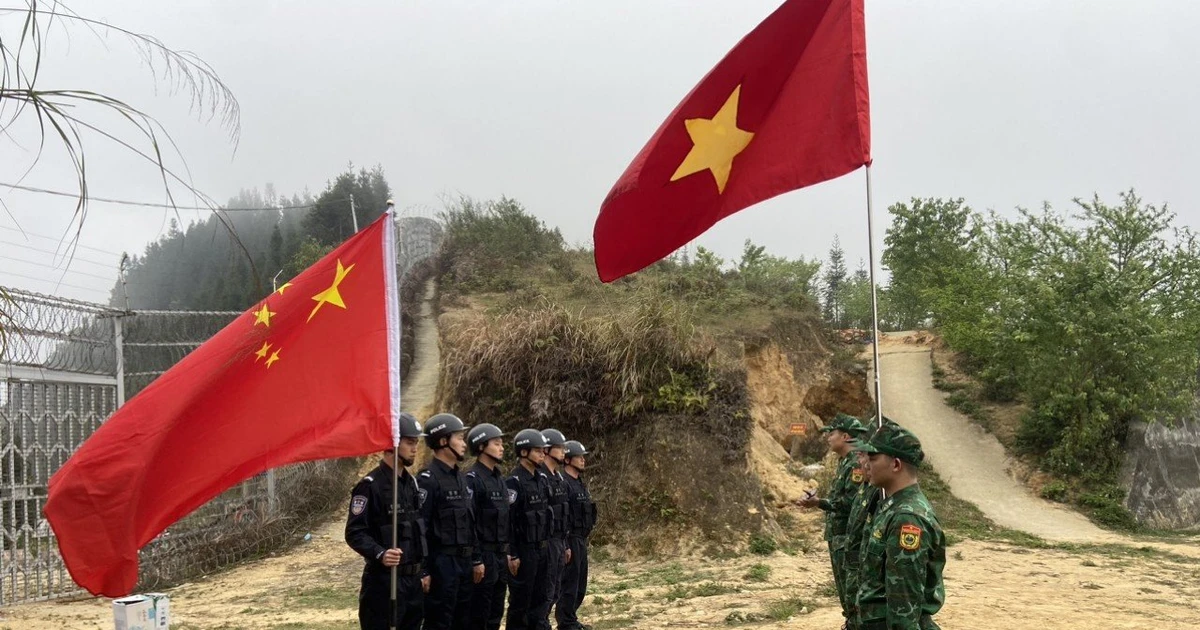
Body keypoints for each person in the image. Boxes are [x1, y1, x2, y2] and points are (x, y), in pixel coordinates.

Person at [852, 421, 946, 630]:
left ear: (896, 465)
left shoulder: (907, 519)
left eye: (873, 458)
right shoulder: (892, 506)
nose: (866, 464)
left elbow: (904, 605)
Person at [345, 412, 430, 630]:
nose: (415, 448)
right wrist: (380, 553)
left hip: (412, 584)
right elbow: (355, 532)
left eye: (416, 443)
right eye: (410, 442)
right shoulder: (370, 485)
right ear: (392, 444)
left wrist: (422, 571)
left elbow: (417, 532)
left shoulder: (411, 483)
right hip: (384, 583)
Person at [798, 412, 869, 628]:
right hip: (840, 536)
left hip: (849, 538)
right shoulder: (845, 462)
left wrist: (819, 503)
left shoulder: (856, 464)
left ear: (845, 436)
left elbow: (850, 504)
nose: (828, 437)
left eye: (832, 433)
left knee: (852, 591)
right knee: (846, 592)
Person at [419, 413, 482, 630]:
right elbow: (422, 529)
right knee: (439, 620)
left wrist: (475, 558)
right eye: (459, 438)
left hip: (464, 563)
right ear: (443, 441)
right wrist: (423, 570)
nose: (464, 444)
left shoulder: (460, 478)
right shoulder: (428, 480)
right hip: (441, 564)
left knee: (463, 619)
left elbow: (469, 522)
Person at [504, 428, 554, 630]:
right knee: (520, 601)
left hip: (542, 548)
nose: (543, 454)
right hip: (524, 551)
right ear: (524, 452)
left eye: (544, 450)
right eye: (538, 450)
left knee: (541, 597)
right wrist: (512, 553)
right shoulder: (514, 482)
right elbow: (509, 521)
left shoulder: (541, 479)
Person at [465, 422, 511, 630]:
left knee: (495, 611)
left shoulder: (499, 479)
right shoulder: (472, 479)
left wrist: (508, 551)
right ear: (481, 446)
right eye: (497, 443)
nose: (502, 448)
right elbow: (469, 522)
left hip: (500, 557)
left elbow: (504, 520)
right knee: (478, 613)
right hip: (483, 556)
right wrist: (476, 559)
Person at [843, 421, 885, 630]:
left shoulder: (899, 509)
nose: (862, 463)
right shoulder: (868, 487)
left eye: (868, 456)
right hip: (856, 568)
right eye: (860, 456)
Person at [556, 440, 596, 630]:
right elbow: (562, 516)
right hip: (570, 538)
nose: (583, 460)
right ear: (568, 459)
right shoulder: (564, 483)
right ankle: (566, 622)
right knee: (569, 583)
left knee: (580, 583)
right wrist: (566, 544)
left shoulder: (579, 484)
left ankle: (571, 618)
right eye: (579, 457)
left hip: (581, 538)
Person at [535, 429, 571, 630]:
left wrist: (565, 544)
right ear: (547, 449)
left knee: (556, 587)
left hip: (559, 540)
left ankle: (544, 621)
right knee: (546, 589)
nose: (564, 452)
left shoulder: (558, 477)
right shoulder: (540, 477)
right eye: (560, 448)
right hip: (546, 542)